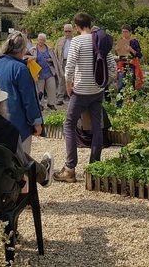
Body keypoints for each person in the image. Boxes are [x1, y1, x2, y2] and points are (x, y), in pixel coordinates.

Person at [54, 13, 115, 183]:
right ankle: (94, 168)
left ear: (76, 26)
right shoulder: (99, 40)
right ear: (90, 24)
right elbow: (112, 66)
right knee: (97, 127)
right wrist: (104, 83)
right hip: (97, 91)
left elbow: (70, 66)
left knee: (69, 124)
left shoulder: (77, 41)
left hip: (80, 91)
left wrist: (68, 87)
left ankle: (70, 168)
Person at [0, 31, 43, 155]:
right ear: (23, 50)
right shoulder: (20, 68)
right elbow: (29, 99)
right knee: (21, 162)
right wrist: (36, 122)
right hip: (18, 124)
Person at [115, 24, 144, 93]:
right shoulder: (120, 41)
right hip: (122, 65)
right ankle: (119, 103)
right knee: (120, 86)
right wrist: (116, 51)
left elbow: (139, 55)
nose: (124, 33)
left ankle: (131, 102)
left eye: (126, 32)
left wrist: (131, 49)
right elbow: (119, 56)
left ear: (130, 32)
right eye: (123, 32)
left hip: (131, 66)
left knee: (131, 86)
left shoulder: (134, 41)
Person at [35, 33, 57, 110]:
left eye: (43, 40)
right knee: (40, 90)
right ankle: (41, 104)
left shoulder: (49, 49)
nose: (41, 41)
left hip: (49, 71)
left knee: (52, 88)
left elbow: (55, 59)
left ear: (45, 41)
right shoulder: (33, 49)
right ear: (37, 40)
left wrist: (51, 60)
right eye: (40, 40)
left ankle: (51, 103)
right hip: (39, 73)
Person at [52, 24, 74, 105]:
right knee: (61, 80)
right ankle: (60, 98)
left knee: (72, 79)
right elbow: (55, 52)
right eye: (66, 31)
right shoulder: (60, 40)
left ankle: (72, 98)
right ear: (64, 31)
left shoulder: (75, 40)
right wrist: (55, 62)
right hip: (62, 62)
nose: (67, 33)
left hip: (72, 62)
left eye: (69, 31)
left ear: (72, 31)